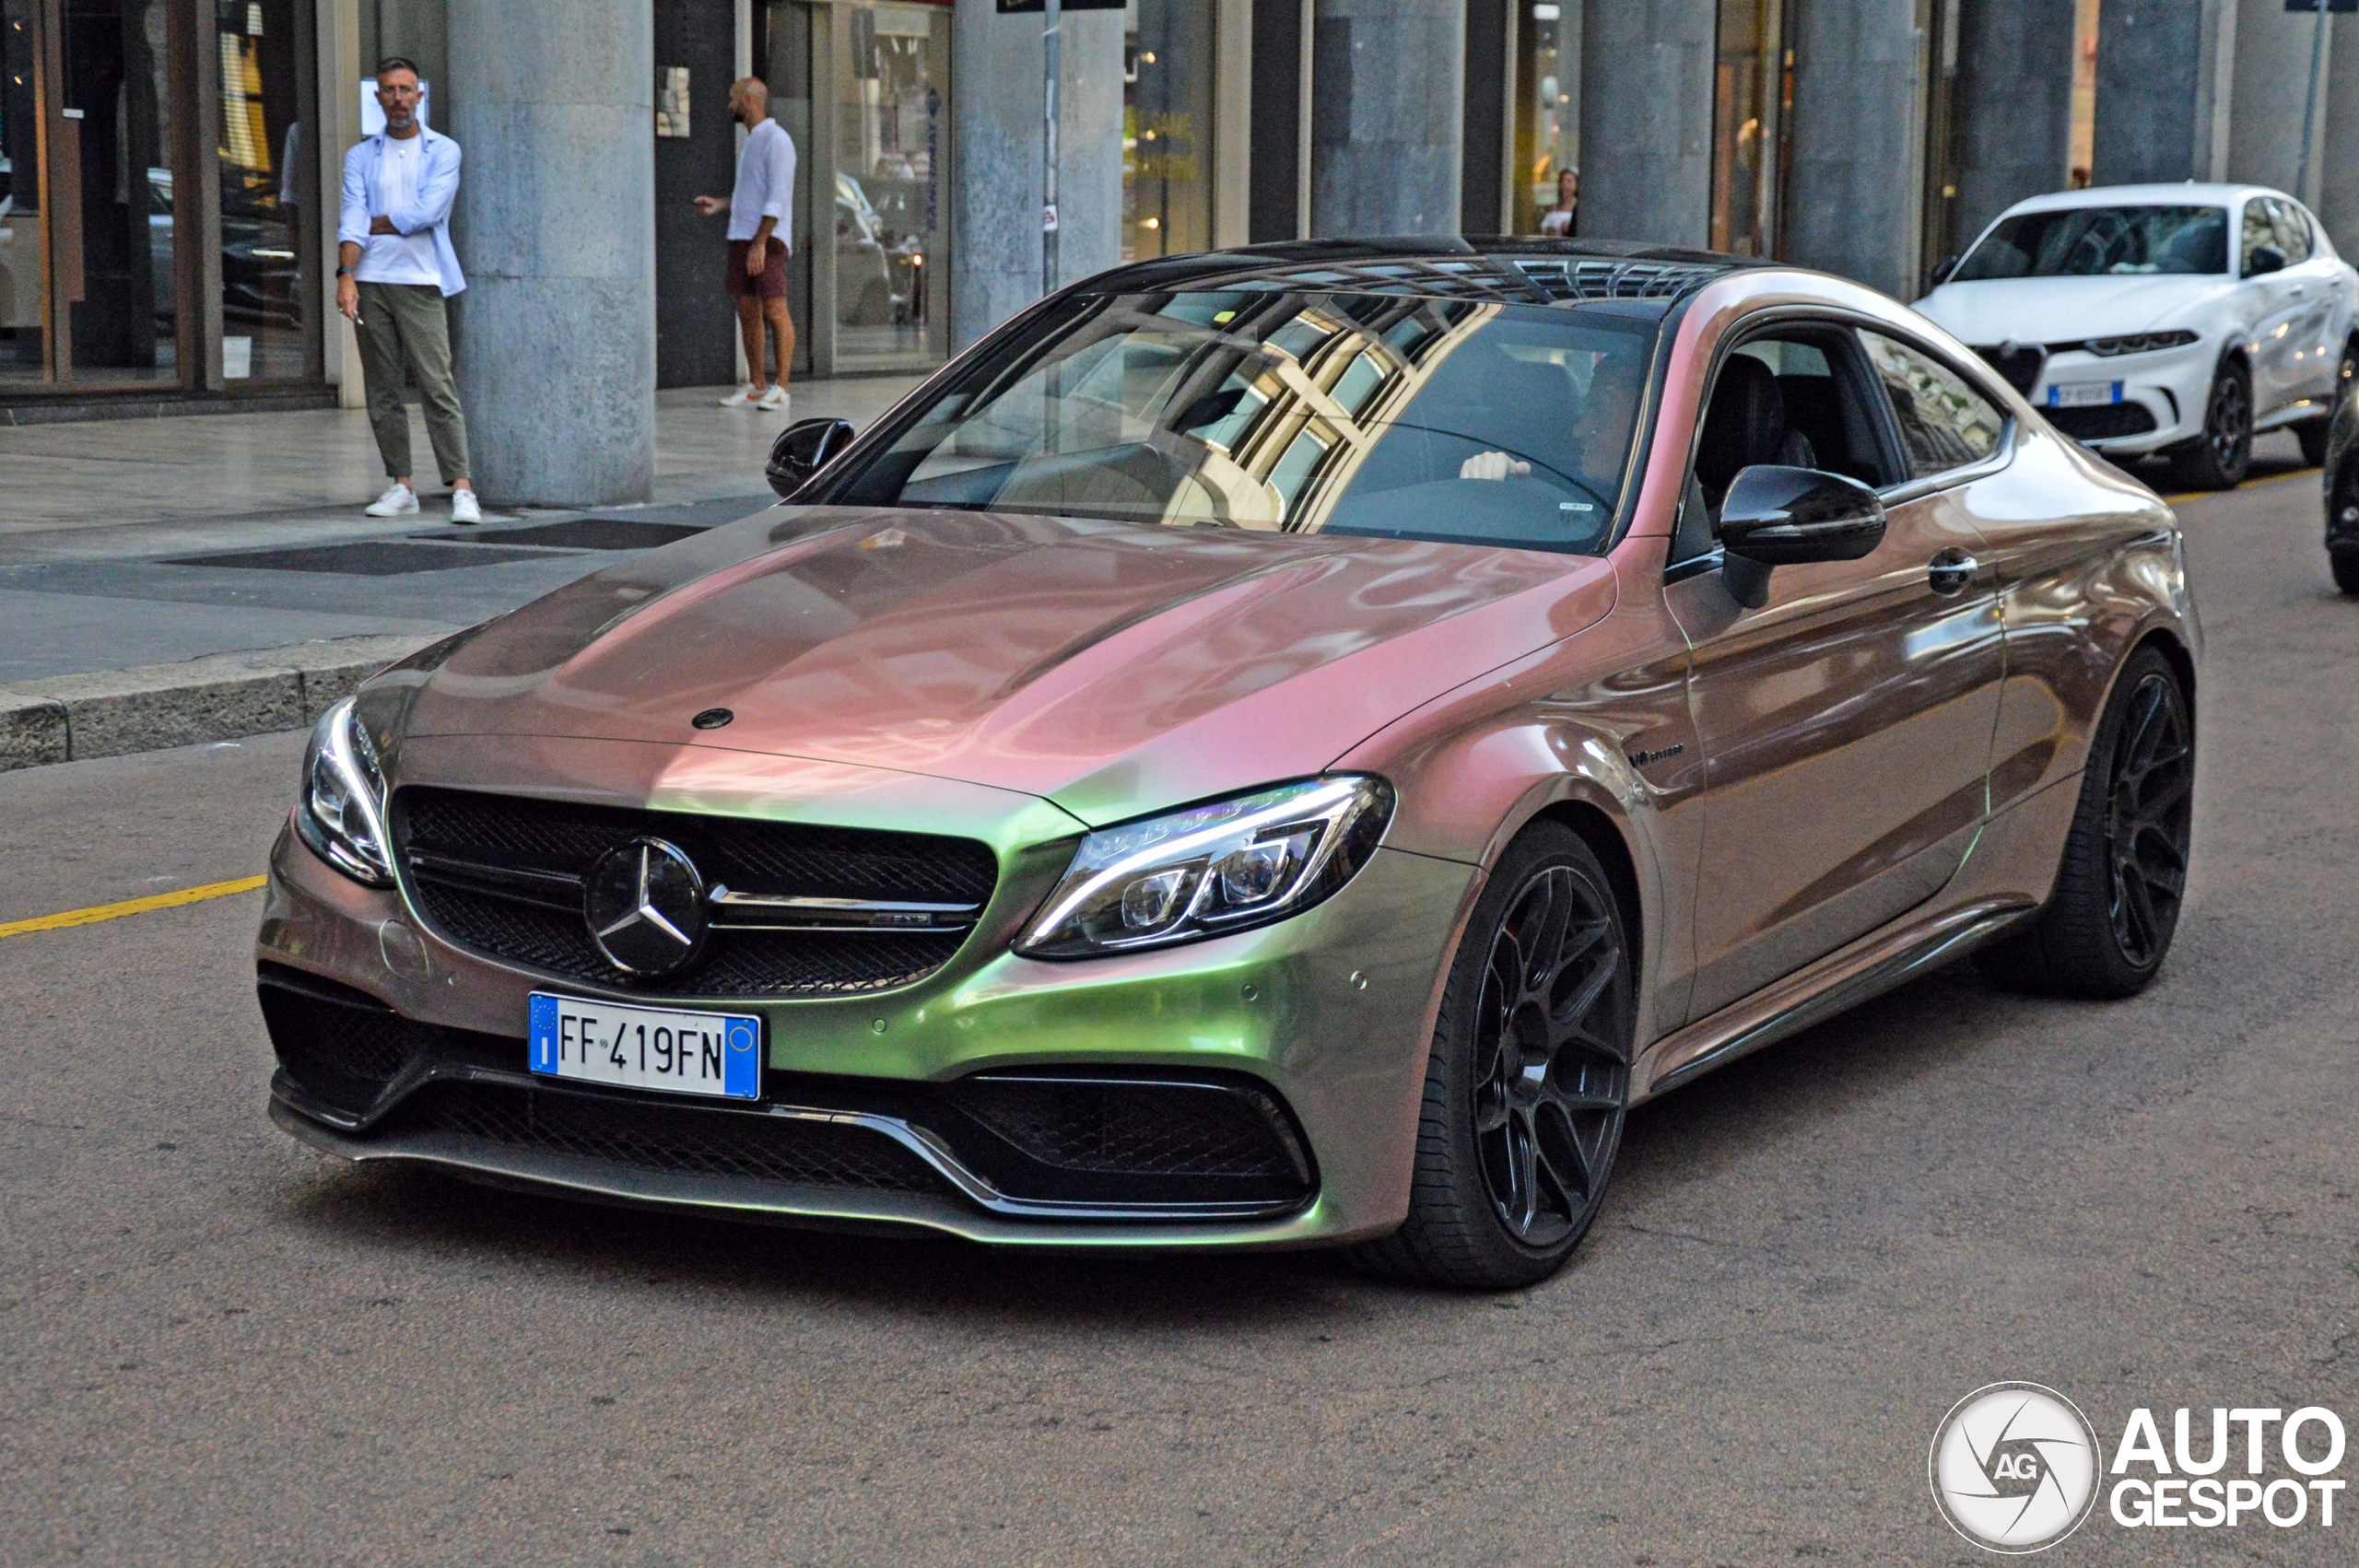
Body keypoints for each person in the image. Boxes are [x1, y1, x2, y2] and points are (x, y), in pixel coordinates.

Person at [335, 58, 478, 523]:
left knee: (437, 385)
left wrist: (379, 222)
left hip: (421, 280)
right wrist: (346, 273)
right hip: (371, 279)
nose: (398, 98)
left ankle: (461, 488)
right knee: (383, 390)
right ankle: (402, 484)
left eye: (406, 89)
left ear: (420, 96)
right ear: (378, 98)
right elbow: (353, 216)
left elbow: (427, 212)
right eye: (389, 90)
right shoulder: (360, 156)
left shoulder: (444, 151)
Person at [693, 77, 797, 412]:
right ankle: (756, 385)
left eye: (733, 98)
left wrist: (760, 243)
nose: (729, 105)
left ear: (750, 100)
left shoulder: (778, 141)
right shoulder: (753, 142)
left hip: (768, 240)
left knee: (775, 310)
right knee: (747, 311)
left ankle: (781, 387)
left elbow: (777, 199)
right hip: (742, 236)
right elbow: (750, 195)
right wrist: (721, 205)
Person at [1538, 166, 1579, 237]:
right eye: (1562, 181)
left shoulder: (1579, 208)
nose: (1564, 184)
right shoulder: (1553, 208)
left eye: (1569, 181)